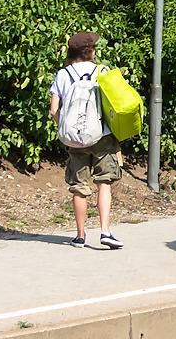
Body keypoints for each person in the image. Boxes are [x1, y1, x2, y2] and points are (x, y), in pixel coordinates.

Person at [48, 32, 125, 249]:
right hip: (102, 136)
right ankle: (105, 232)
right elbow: (115, 105)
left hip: (74, 139)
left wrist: (67, 129)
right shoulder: (103, 72)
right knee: (104, 184)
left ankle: (80, 236)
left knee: (79, 187)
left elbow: (54, 109)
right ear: (91, 51)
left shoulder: (62, 74)